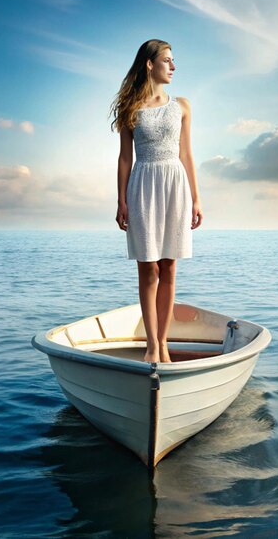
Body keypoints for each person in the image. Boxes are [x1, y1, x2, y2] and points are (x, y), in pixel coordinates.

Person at [111, 39, 203, 363]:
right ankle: (151, 344)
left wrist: (196, 198)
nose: (173, 66)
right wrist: (121, 200)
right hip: (143, 185)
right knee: (148, 266)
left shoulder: (182, 106)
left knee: (169, 265)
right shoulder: (130, 109)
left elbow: (186, 153)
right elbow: (125, 158)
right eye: (168, 60)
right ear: (150, 64)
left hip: (174, 183)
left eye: (173, 60)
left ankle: (162, 343)